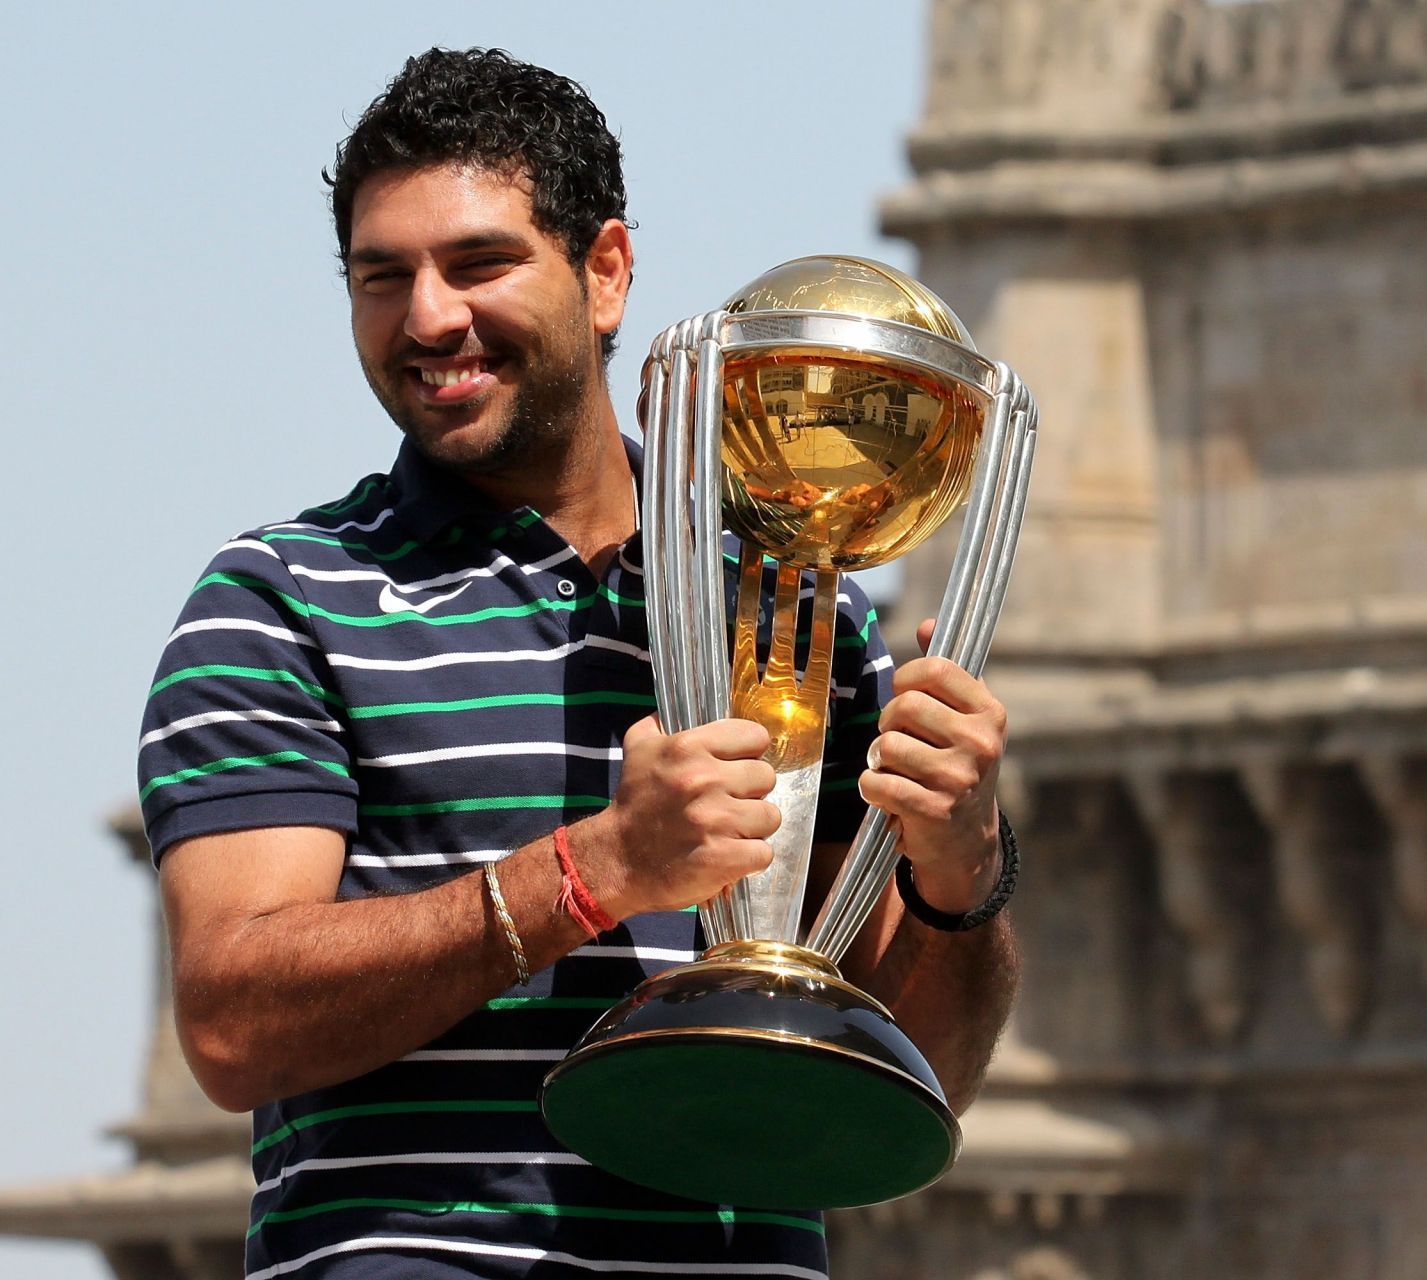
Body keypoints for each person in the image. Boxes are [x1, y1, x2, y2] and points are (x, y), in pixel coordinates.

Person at [138, 47, 1019, 1280]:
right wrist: (595, 869)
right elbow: (231, 1018)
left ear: (605, 272)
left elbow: (917, 1064)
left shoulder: (801, 612)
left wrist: (960, 869)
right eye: (381, 277)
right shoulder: (280, 600)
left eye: (479, 263)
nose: (429, 317)